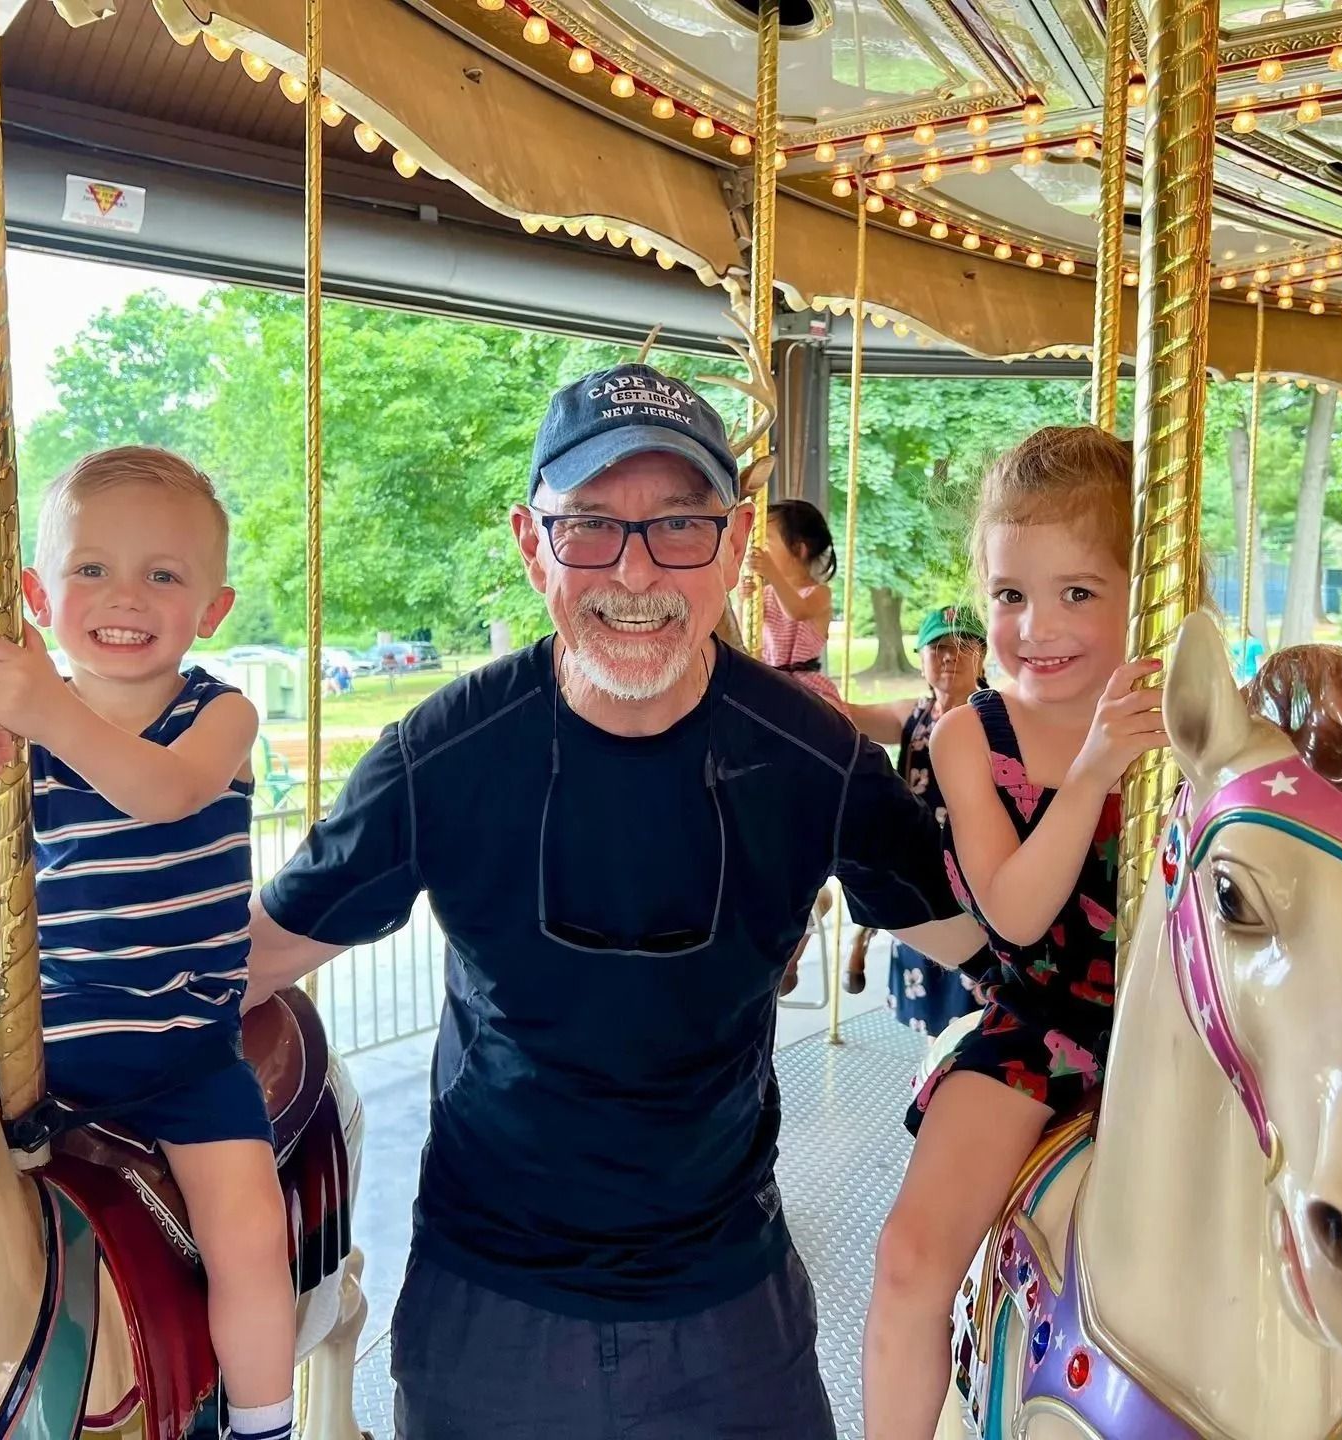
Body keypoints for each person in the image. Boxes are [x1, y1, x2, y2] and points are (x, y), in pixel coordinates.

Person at [240, 360, 983, 1439]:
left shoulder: (810, 758)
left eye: (680, 526)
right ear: (529, 541)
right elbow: (251, 958)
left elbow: (986, 941)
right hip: (491, 1304)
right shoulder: (442, 754)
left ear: (734, 548)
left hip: (728, 1301)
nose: (636, 572)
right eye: (590, 525)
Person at [0, 447, 297, 1440]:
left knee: (250, 1236)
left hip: (185, 1056)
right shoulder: (18, 746)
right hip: (44, 1046)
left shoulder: (221, 714)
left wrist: (45, 707)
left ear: (212, 607)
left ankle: (265, 1424)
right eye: (92, 568)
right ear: (36, 593)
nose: (127, 595)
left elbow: (160, 795)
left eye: (164, 574)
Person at [861, 426, 1167, 1440]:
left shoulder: (1193, 723)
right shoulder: (969, 737)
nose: (1037, 625)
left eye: (1079, 592)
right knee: (909, 1259)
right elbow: (1018, 912)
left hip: (1180, 1028)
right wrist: (1093, 774)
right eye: (1010, 595)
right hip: (1042, 1027)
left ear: (1150, 587)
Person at [842, 604, 993, 1034]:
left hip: (977, 864)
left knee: (977, 982)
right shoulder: (912, 715)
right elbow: (842, 713)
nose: (950, 656)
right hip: (922, 863)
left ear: (981, 656)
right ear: (922, 656)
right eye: (938, 647)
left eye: (964, 646)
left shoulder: (999, 716)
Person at [743, 496, 844, 709]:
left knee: (818, 720)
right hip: (771, 679)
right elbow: (744, 636)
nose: (760, 549)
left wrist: (771, 573)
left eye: (766, 541)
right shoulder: (767, 593)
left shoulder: (819, 593)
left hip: (807, 687)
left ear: (799, 549)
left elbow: (797, 611)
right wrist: (746, 601)